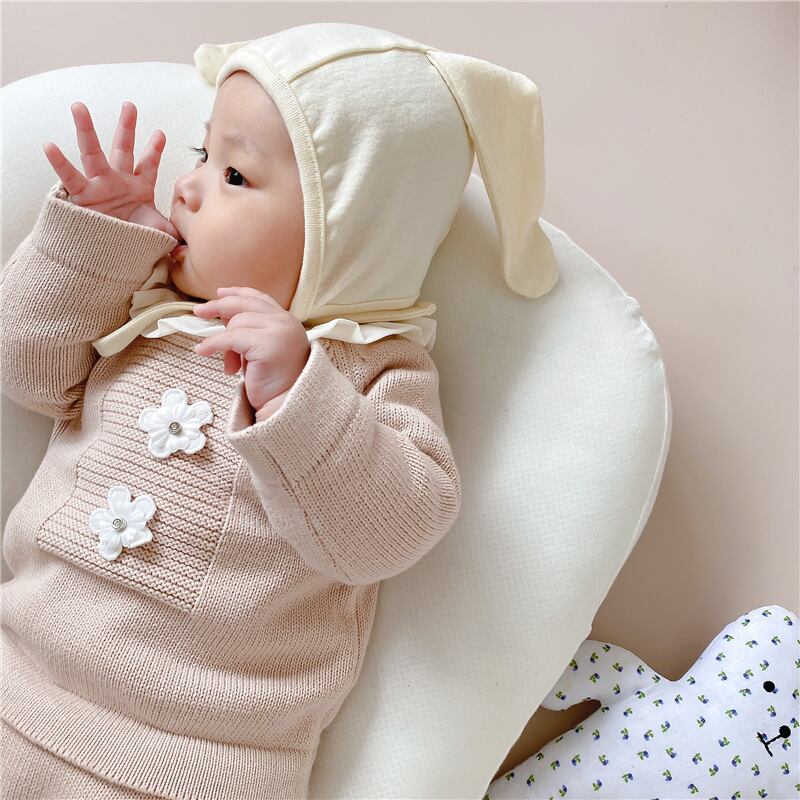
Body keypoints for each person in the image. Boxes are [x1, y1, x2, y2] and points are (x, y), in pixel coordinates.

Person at [0, 22, 558, 799]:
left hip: (195, 764)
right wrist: (96, 241)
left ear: (346, 231)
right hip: (17, 683)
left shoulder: (369, 371)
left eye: (233, 174)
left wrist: (299, 392)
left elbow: (389, 533)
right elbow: (27, 373)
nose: (187, 187)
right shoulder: (147, 306)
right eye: (201, 155)